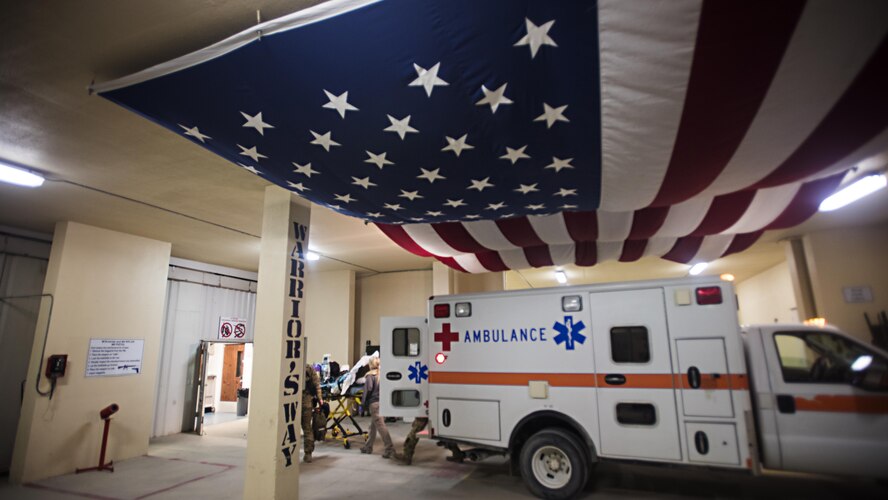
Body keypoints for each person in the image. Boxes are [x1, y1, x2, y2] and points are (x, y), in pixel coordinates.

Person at [360, 357, 395, 458]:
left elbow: (368, 389)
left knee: (381, 426)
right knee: (373, 426)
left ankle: (390, 449)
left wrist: (363, 403)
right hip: (382, 402)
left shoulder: (370, 376)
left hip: (374, 404)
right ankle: (368, 447)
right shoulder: (382, 374)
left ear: (370, 365)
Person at [394, 417, 464, 465]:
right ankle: (457, 453)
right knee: (442, 431)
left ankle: (407, 456)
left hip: (427, 406)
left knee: (415, 431)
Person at [302, 363, 323, 463]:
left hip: (292, 403)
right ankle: (308, 453)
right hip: (307, 402)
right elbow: (317, 384)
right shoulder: (309, 368)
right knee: (307, 427)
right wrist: (320, 399)